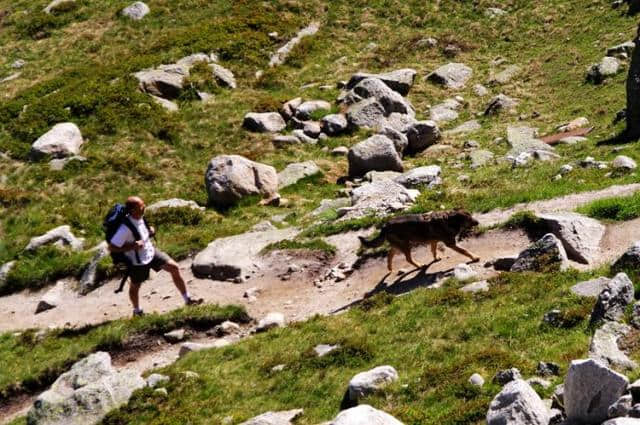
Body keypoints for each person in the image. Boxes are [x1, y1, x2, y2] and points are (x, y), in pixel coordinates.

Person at [108, 196, 202, 316]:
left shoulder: (141, 217)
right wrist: (132, 246)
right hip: (138, 261)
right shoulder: (124, 229)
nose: (144, 207)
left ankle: (188, 299)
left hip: (151, 252)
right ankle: (137, 311)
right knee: (135, 286)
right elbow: (112, 247)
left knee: (174, 267)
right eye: (141, 206)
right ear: (133, 210)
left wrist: (150, 231)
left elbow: (142, 231)